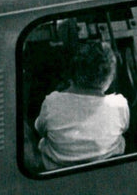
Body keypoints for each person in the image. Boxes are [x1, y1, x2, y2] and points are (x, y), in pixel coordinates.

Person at [34, 42, 129, 170]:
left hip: (58, 172)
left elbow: (40, 130)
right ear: (109, 78)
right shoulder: (119, 104)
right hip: (108, 168)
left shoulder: (52, 101)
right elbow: (124, 129)